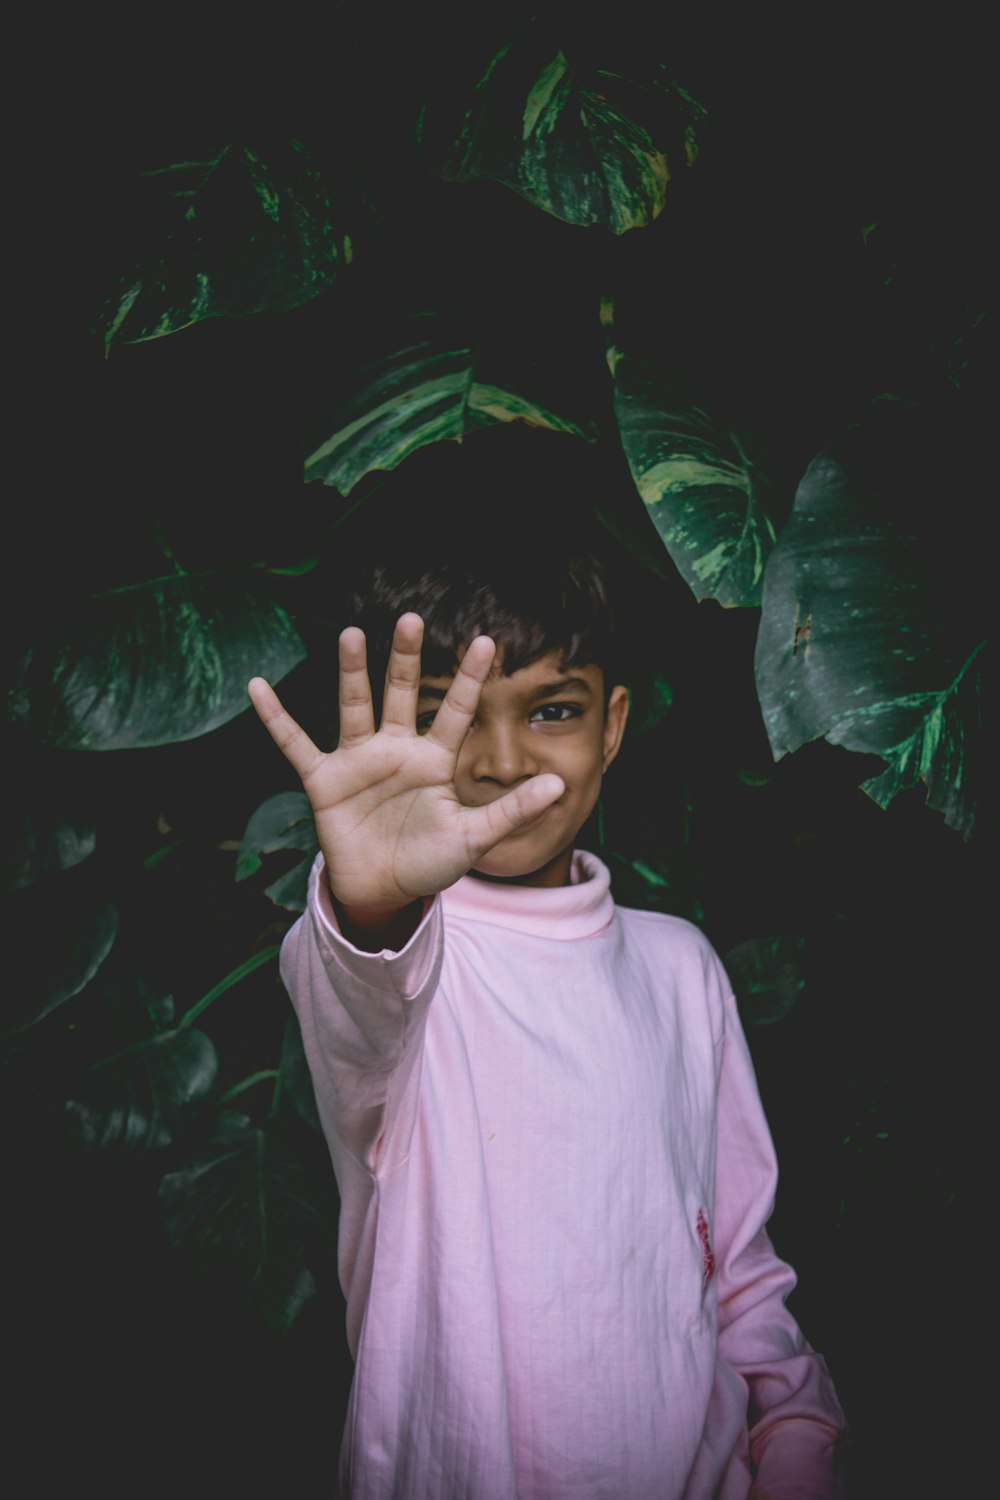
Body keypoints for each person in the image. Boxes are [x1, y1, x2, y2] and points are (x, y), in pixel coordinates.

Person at [247, 468, 847, 1499]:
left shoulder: (678, 969)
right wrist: (375, 901)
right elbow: (355, 981)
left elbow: (740, 1270)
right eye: (449, 718)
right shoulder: (390, 962)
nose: (498, 761)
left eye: (552, 710)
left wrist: (794, 1443)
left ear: (611, 726)